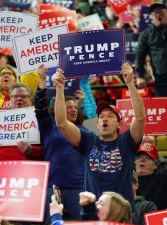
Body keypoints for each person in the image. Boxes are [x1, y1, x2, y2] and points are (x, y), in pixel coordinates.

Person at [53, 63, 145, 210]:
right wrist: (59, 89)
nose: (105, 119)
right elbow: (61, 123)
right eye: (101, 116)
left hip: (120, 211)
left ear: (119, 124)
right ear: (97, 124)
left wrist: (129, 83)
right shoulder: (89, 140)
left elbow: (140, 117)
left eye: (110, 116)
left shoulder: (126, 141)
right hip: (93, 211)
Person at [35, 65, 87, 221]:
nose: (73, 110)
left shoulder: (84, 131)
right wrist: (42, 80)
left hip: (78, 187)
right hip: (53, 186)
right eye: (68, 107)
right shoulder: (49, 125)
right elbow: (40, 107)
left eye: (75, 107)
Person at [0, 84, 42, 162]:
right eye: (15, 96)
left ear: (30, 100)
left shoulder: (40, 120)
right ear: (10, 100)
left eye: (23, 96)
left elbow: (49, 151)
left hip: (28, 170)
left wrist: (32, 151)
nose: (19, 98)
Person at [136, 126, 167, 210]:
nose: (142, 160)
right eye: (140, 157)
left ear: (155, 165)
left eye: (147, 157)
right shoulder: (128, 179)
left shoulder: (163, 180)